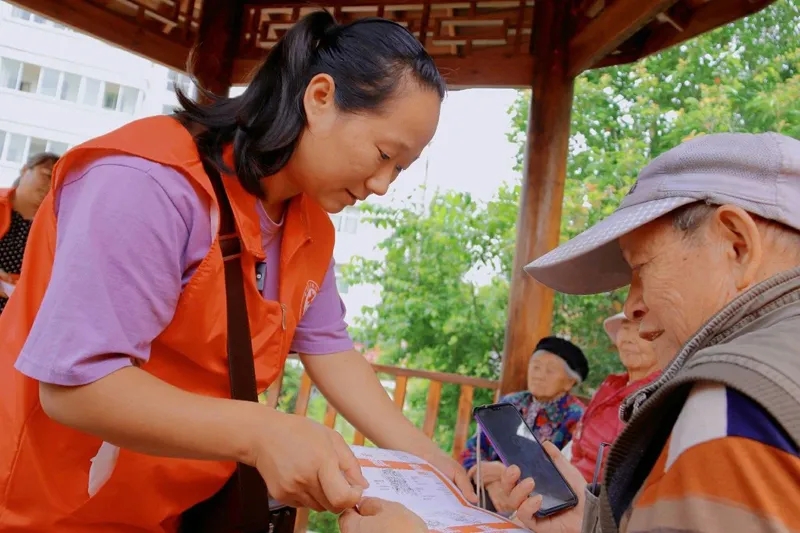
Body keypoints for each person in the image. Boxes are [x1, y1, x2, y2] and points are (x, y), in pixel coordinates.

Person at [0, 12, 476, 532]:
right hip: (41, 504)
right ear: (320, 98)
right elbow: (77, 384)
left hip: (160, 506)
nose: (384, 184)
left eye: (400, 169)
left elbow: (331, 348)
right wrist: (263, 432)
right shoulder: (147, 182)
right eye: (385, 154)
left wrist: (433, 462)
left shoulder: (310, 222)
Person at [494, 132, 800, 533]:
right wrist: (592, 524)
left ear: (737, 246)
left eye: (641, 267)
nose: (630, 307)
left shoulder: (730, 404)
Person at [461, 336, 588, 512]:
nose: (539, 375)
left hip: (536, 505)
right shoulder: (510, 401)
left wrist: (503, 473)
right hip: (487, 490)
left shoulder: (577, 417)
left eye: (550, 370)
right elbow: (472, 450)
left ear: (569, 382)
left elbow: (564, 480)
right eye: (535, 366)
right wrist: (492, 483)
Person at [568, 313, 661, 482]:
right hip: (572, 483)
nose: (628, 339)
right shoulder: (612, 385)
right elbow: (579, 444)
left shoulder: (660, 396)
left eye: (640, 328)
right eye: (625, 328)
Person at [0, 152, 59, 308]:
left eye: (58, 182)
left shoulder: (56, 228)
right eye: (47, 175)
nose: (51, 185)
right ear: (25, 170)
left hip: (18, 316)